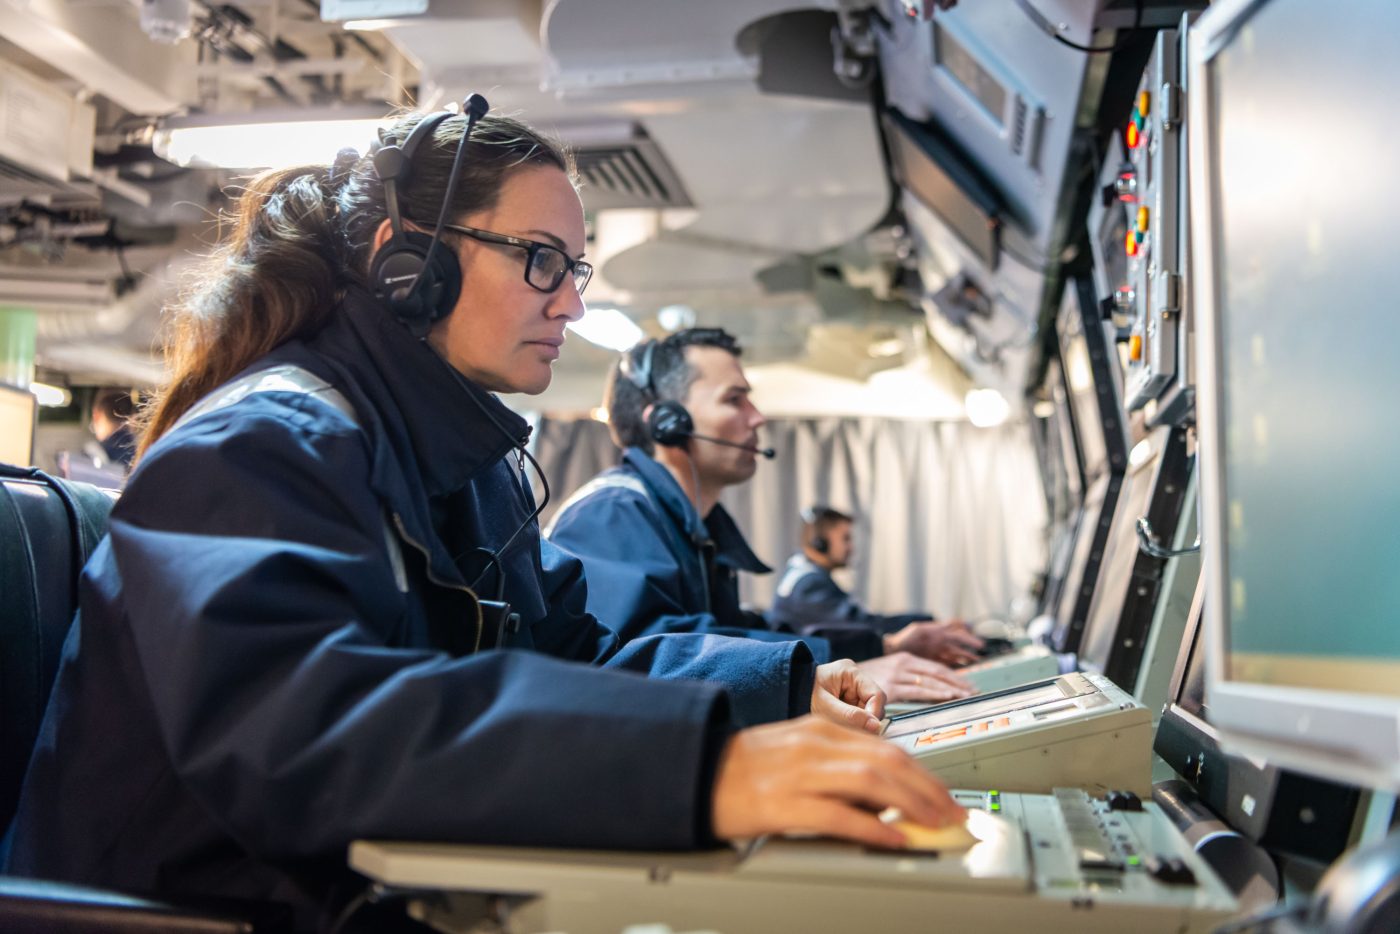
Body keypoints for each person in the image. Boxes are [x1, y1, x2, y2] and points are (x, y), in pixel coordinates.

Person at [2, 103, 963, 931]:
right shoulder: (262, 442)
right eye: (543, 261)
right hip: (223, 912)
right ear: (407, 265)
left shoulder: (469, 469)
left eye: (576, 268)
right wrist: (695, 769)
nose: (574, 303)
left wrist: (783, 687)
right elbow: (306, 730)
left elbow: (571, 654)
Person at [546, 328, 974, 704]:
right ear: (667, 424)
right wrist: (812, 676)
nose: (758, 417)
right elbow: (648, 659)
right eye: (735, 399)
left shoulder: (689, 529)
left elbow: (732, 635)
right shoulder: (611, 514)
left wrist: (879, 645)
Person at [771, 506, 985, 667]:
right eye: (845, 539)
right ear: (820, 543)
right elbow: (863, 626)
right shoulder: (807, 584)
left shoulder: (806, 577)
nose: (851, 547)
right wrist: (928, 622)